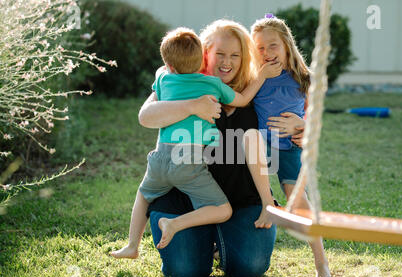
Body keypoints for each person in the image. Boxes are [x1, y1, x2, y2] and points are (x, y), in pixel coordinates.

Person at [110, 27, 281, 257]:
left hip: (164, 162)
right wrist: (192, 106)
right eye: (220, 54)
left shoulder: (165, 77)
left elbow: (282, 114)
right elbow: (145, 116)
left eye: (235, 55)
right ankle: (178, 226)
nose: (227, 62)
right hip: (187, 177)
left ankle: (132, 245)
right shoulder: (211, 86)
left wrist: (299, 125)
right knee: (189, 264)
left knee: (143, 193)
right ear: (205, 53)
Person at [250, 15, 332, 277]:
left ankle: (321, 264)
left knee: (299, 203)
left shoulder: (304, 77)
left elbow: (315, 119)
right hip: (259, 148)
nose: (266, 53)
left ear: (287, 45)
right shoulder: (255, 75)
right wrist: (260, 76)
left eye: (273, 45)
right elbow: (242, 101)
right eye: (260, 48)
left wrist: (303, 125)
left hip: (288, 149)